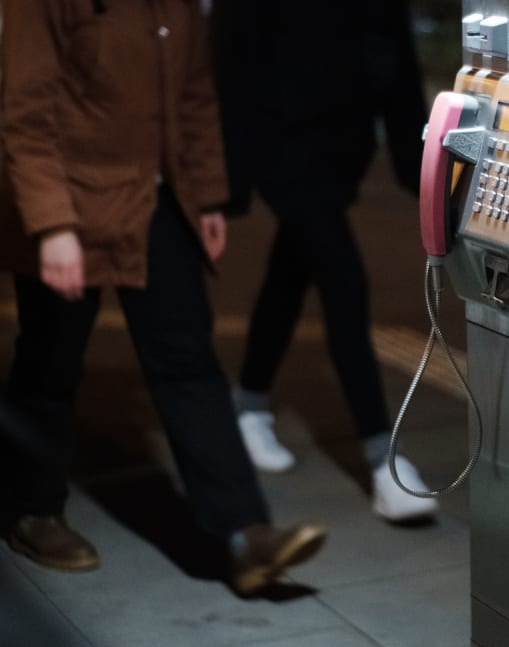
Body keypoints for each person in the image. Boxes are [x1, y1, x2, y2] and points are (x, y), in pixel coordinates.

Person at [0, 0, 325, 596]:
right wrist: (52, 226)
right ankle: (31, 510)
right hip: (67, 202)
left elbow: (195, 96)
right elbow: (24, 112)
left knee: (188, 359)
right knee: (51, 360)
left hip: (156, 201)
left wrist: (205, 196)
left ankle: (243, 532)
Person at [211, 0, 438, 522]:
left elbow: (393, 52)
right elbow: (231, 57)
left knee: (290, 272)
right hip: (278, 145)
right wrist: (230, 180)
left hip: (342, 148)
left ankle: (247, 405)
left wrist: (417, 165)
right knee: (344, 281)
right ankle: (384, 465)